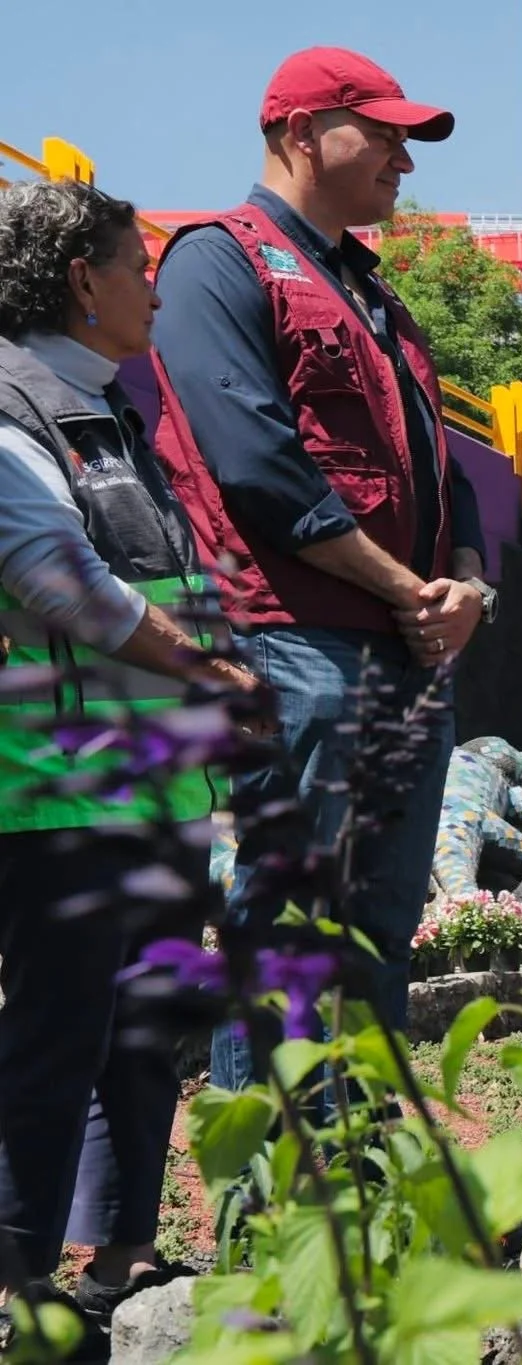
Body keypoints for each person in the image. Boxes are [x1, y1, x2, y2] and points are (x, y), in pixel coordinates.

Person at [147, 47, 491, 1087]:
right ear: (303, 133)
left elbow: (449, 468)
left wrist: (469, 584)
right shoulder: (220, 261)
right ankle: (276, 1218)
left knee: (382, 923)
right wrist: (407, 590)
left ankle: (362, 1192)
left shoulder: (372, 293)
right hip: (292, 643)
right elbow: (257, 466)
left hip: (403, 648)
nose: (404, 160)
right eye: (381, 133)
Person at [0, 179, 265, 1343]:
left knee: (147, 1024)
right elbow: (61, 580)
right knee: (58, 1036)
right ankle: (16, 1289)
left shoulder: (110, 404)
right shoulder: (15, 404)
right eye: (135, 263)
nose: (153, 287)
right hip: (65, 781)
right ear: (80, 280)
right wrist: (208, 673)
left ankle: (121, 1254)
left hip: (156, 775)